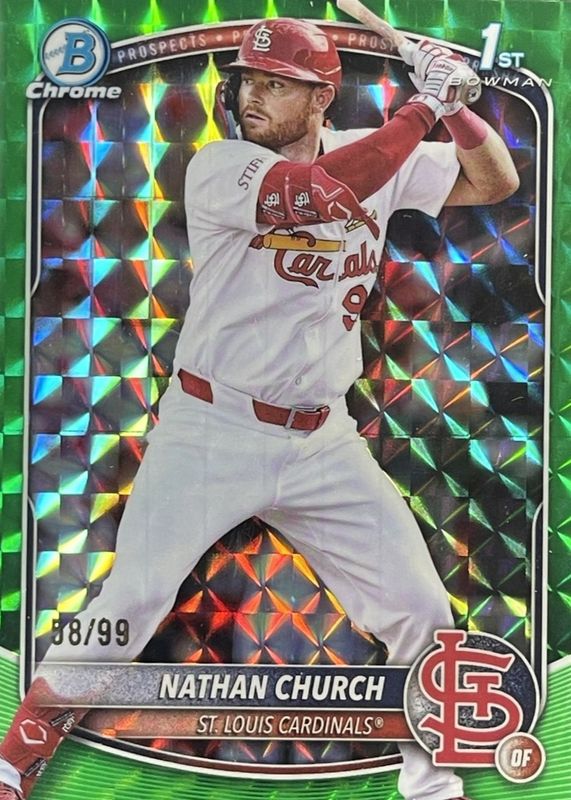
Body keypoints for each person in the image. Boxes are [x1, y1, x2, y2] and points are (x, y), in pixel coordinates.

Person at [0, 17, 519, 800]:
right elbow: (316, 195)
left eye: (277, 85)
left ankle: (429, 788)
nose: (253, 96)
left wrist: (459, 105)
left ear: (320, 99)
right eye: (247, 81)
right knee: (130, 604)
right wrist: (423, 108)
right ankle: (14, 762)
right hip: (211, 429)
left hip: (322, 439)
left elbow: (494, 182)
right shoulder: (223, 166)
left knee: (420, 608)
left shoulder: (374, 153)